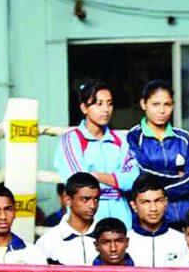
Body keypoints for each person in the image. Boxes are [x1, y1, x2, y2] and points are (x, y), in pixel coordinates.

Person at [54, 82, 138, 227]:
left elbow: (132, 180)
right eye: (99, 104)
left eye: (109, 104)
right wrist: (115, 181)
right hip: (86, 214)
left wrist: (97, 175)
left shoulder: (121, 140)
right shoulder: (71, 139)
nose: (106, 109)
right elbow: (78, 182)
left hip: (121, 214)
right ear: (84, 108)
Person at [126, 80, 189, 227]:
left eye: (167, 104)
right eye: (155, 104)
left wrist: (161, 191)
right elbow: (141, 173)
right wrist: (177, 176)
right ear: (143, 104)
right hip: (151, 218)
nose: (162, 110)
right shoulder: (134, 137)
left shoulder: (184, 138)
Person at [126, 175, 188, 268]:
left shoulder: (182, 241)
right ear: (134, 205)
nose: (153, 208)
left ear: (166, 202)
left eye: (158, 201)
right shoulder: (124, 243)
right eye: (146, 202)